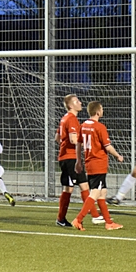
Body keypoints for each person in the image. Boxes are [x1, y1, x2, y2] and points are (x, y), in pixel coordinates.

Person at [71, 101, 124, 231]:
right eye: (102, 109)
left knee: (102, 192)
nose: (103, 111)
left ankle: (108, 222)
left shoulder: (83, 126)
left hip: (89, 162)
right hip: (98, 163)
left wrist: (78, 161)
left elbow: (78, 144)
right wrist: (118, 155)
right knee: (95, 192)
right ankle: (78, 219)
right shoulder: (100, 127)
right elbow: (107, 146)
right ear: (98, 112)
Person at [55, 94, 104, 227]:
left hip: (64, 157)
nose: (80, 103)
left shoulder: (64, 118)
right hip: (70, 158)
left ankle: (61, 219)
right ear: (71, 106)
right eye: (77, 101)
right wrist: (86, 143)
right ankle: (95, 216)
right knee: (84, 186)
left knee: (68, 189)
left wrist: (64, 147)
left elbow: (57, 138)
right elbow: (72, 139)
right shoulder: (71, 119)